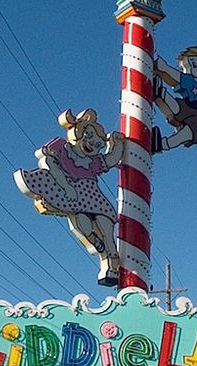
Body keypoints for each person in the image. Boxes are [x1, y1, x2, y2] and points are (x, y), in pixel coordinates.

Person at [14, 109, 124, 286]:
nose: (93, 145)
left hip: (94, 197)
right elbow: (48, 161)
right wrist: (66, 187)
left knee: (107, 228)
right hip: (76, 197)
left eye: (98, 144)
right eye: (89, 136)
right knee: (81, 223)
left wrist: (118, 144)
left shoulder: (93, 162)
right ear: (79, 134)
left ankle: (111, 262)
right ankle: (96, 242)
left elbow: (111, 160)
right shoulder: (64, 152)